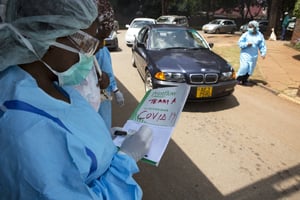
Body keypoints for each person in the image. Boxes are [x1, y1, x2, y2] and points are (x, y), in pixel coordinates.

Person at [0, 0, 153, 199]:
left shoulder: (47, 84)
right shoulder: (25, 130)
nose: (90, 55)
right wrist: (125, 162)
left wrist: (100, 138)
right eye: (86, 44)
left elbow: (68, 127)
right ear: (49, 37)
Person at [236, 20, 267, 85]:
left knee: (250, 68)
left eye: (251, 27)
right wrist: (246, 44)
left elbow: (262, 45)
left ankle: (245, 80)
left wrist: (263, 53)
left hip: (253, 55)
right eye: (249, 27)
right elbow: (239, 43)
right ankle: (238, 79)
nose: (249, 28)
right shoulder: (246, 34)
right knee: (244, 67)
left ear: (255, 27)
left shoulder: (260, 35)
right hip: (245, 54)